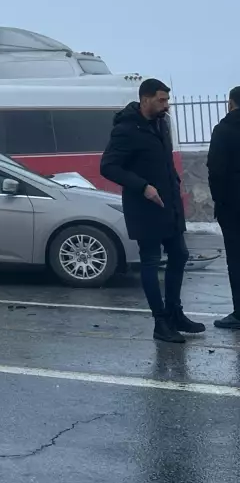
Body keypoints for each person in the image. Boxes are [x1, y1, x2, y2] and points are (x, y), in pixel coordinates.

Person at [101, 78, 205, 343]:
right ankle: (160, 322)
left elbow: (164, 161)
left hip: (168, 203)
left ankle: (175, 313)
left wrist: (174, 185)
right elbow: (109, 167)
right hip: (144, 205)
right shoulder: (126, 129)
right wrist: (143, 186)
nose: (166, 104)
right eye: (161, 100)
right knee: (150, 259)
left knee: (180, 254)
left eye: (167, 99)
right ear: (145, 99)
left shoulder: (161, 122)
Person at [208, 85, 240, 330]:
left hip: (233, 206)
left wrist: (220, 202)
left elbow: (216, 171)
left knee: (237, 259)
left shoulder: (224, 130)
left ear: (231, 103)